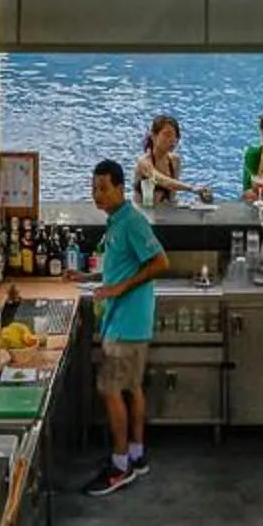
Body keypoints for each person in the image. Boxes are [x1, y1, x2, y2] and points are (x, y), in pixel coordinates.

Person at [84, 156, 169, 496]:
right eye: (94, 188)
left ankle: (120, 467)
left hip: (128, 322)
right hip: (122, 318)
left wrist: (119, 289)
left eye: (104, 188)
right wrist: (88, 276)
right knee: (131, 387)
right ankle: (136, 453)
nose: (98, 194)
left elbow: (160, 262)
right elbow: (118, 268)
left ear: (121, 188)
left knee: (110, 389)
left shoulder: (132, 222)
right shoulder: (115, 222)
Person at [132, 114, 211, 208]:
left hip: (164, 213)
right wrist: (192, 188)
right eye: (167, 135)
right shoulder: (144, 162)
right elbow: (161, 180)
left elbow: (172, 196)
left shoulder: (175, 161)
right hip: (142, 214)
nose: (172, 140)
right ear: (153, 136)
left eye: (175, 136)